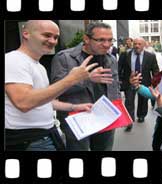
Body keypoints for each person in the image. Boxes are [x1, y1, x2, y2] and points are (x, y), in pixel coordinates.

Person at [5, 20, 101, 151]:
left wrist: (74, 106)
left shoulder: (38, 66)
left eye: (56, 37)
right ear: (26, 33)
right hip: (29, 139)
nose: (52, 41)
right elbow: (24, 102)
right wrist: (71, 79)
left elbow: (44, 101)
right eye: (47, 35)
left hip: (46, 136)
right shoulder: (14, 60)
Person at [50, 22, 122, 151]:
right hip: (77, 119)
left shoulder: (111, 59)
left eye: (110, 40)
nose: (106, 45)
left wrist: (118, 111)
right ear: (86, 39)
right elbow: (55, 91)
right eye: (100, 40)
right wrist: (86, 79)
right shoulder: (64, 58)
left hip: (105, 117)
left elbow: (114, 87)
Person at [118, 37, 159, 130]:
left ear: (144, 45)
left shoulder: (150, 56)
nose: (137, 46)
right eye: (135, 44)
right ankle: (129, 121)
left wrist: (155, 83)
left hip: (144, 81)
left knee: (143, 100)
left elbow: (155, 70)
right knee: (129, 101)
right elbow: (119, 68)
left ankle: (141, 115)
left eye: (139, 44)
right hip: (129, 82)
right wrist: (120, 80)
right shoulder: (125, 54)